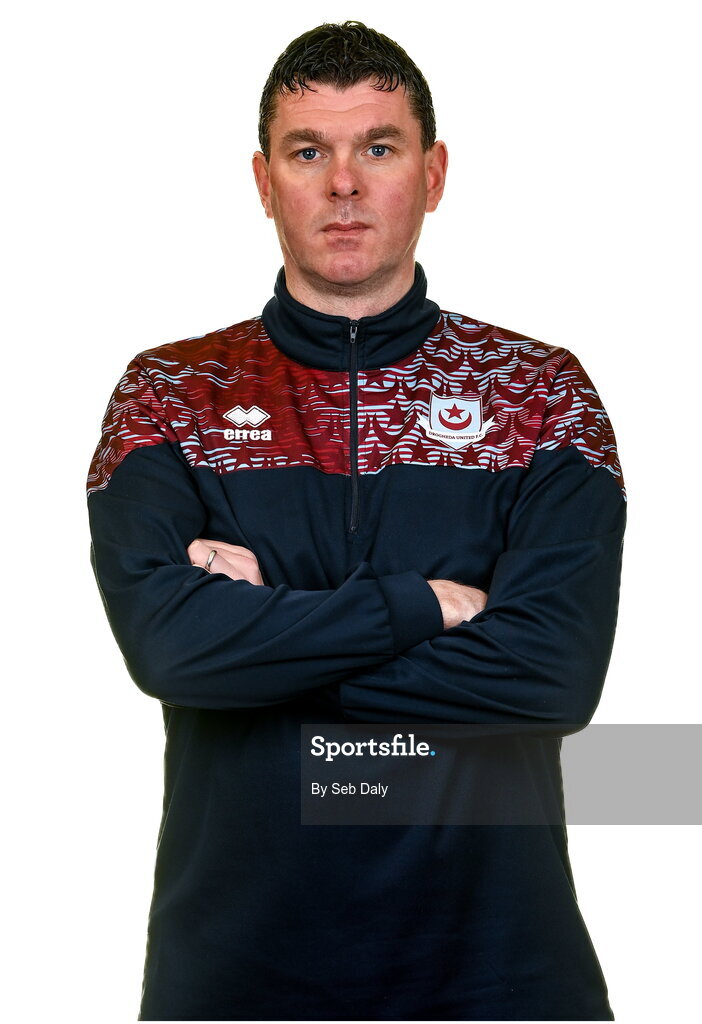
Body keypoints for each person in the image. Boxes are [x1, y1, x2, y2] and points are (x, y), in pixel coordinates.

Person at [87, 20, 625, 1022]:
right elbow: (170, 648)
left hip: (502, 976)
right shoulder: (170, 395)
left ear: (433, 173)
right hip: (238, 980)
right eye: (308, 152)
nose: (343, 183)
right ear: (264, 181)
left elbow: (555, 670)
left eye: (378, 147)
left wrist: (262, 641)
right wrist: (430, 606)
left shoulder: (540, 394)